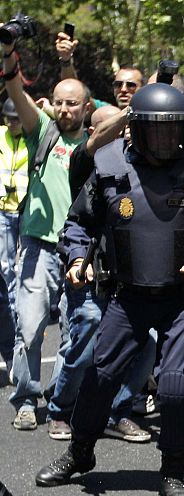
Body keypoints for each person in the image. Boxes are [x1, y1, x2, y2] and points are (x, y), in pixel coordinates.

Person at [34, 83, 184, 496]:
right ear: (136, 129)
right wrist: (77, 260)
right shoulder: (108, 165)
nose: (165, 140)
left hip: (182, 297)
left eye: (172, 130)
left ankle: (174, 470)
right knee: (100, 375)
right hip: (127, 295)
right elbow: (78, 225)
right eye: (156, 131)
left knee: (178, 386)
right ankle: (80, 451)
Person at [46, 103, 154, 445]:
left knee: (146, 343)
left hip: (126, 276)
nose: (120, 133)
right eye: (110, 128)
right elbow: (94, 144)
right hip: (89, 271)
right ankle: (61, 409)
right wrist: (129, 113)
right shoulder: (84, 161)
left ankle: (117, 411)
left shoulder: (137, 165)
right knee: (87, 335)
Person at [4, 36, 92, 432]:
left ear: (87, 107)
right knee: (30, 326)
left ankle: (61, 398)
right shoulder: (43, 131)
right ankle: (25, 398)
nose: (64, 108)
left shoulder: (94, 141)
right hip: (39, 246)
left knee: (80, 330)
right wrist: (8, 59)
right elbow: (17, 93)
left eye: (72, 102)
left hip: (81, 252)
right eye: (59, 101)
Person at [0, 98, 27, 376]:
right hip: (2, 211)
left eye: (16, 118)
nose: (12, 122)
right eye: (8, 118)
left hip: (24, 209)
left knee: (22, 268)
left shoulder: (31, 138)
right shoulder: (1, 136)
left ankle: (20, 311)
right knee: (7, 269)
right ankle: (13, 310)